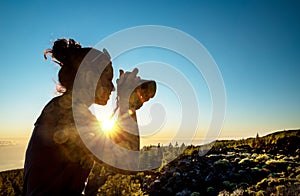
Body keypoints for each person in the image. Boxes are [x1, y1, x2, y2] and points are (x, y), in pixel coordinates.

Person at [23, 38, 156, 195]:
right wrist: (128, 106)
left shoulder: (62, 109)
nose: (112, 88)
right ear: (87, 77)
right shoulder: (71, 115)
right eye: (107, 79)